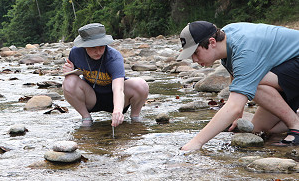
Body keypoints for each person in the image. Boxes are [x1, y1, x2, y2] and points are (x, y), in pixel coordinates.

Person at [176, 21, 299, 150]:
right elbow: (235, 74)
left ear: (212, 42)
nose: (194, 60)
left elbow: (235, 103)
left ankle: (296, 126)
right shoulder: (226, 36)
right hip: (288, 69)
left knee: (251, 79)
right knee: (260, 128)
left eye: (196, 52)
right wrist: (237, 115)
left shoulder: (245, 50)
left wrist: (196, 143)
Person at [62, 23, 149, 127]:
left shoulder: (113, 57)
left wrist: (117, 109)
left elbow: (118, 89)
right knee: (69, 80)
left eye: (101, 46)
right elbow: (74, 83)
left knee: (141, 85)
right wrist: (70, 71)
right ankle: (86, 118)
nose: (98, 51)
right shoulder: (75, 53)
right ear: (84, 46)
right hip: (91, 98)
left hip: (117, 99)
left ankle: (135, 118)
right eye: (93, 47)